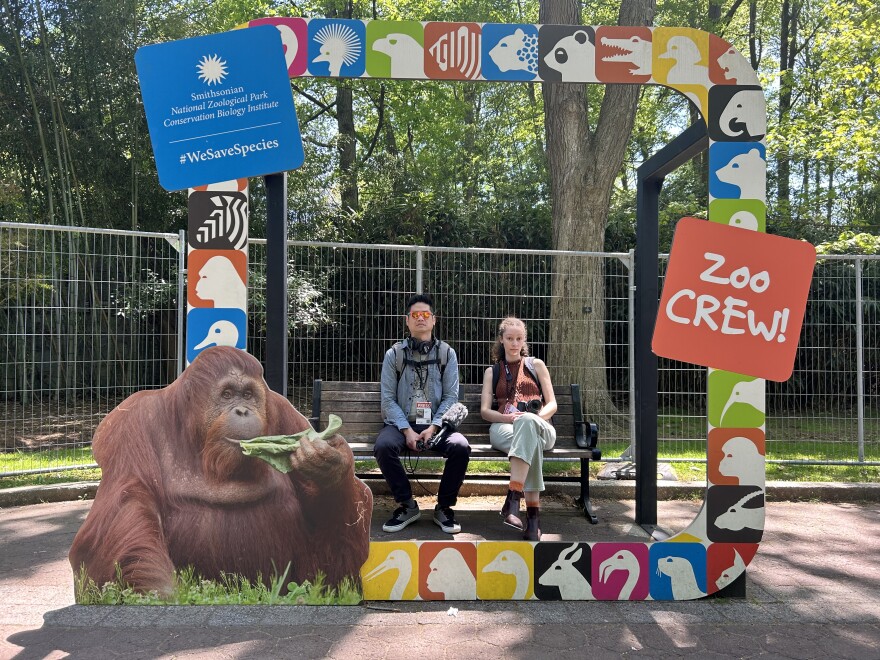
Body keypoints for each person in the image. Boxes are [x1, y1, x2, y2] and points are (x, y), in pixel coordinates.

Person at [375, 293, 471, 534]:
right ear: (407, 321)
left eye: (425, 314)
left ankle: (444, 508)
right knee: (384, 446)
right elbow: (387, 399)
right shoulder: (393, 355)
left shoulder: (446, 353)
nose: (420, 318)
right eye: (415, 315)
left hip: (435, 426)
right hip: (401, 424)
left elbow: (451, 397)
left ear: (433, 320)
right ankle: (407, 506)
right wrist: (406, 430)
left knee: (460, 447)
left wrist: (434, 427)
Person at [480, 317, 557, 541]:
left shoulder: (537, 365)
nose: (515, 343)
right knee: (528, 442)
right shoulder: (492, 371)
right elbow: (485, 412)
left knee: (528, 425)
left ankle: (513, 498)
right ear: (501, 340)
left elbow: (552, 404)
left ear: (524, 341)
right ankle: (533, 518)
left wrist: (534, 419)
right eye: (510, 338)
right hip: (505, 427)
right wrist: (511, 418)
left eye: (519, 339)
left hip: (542, 427)